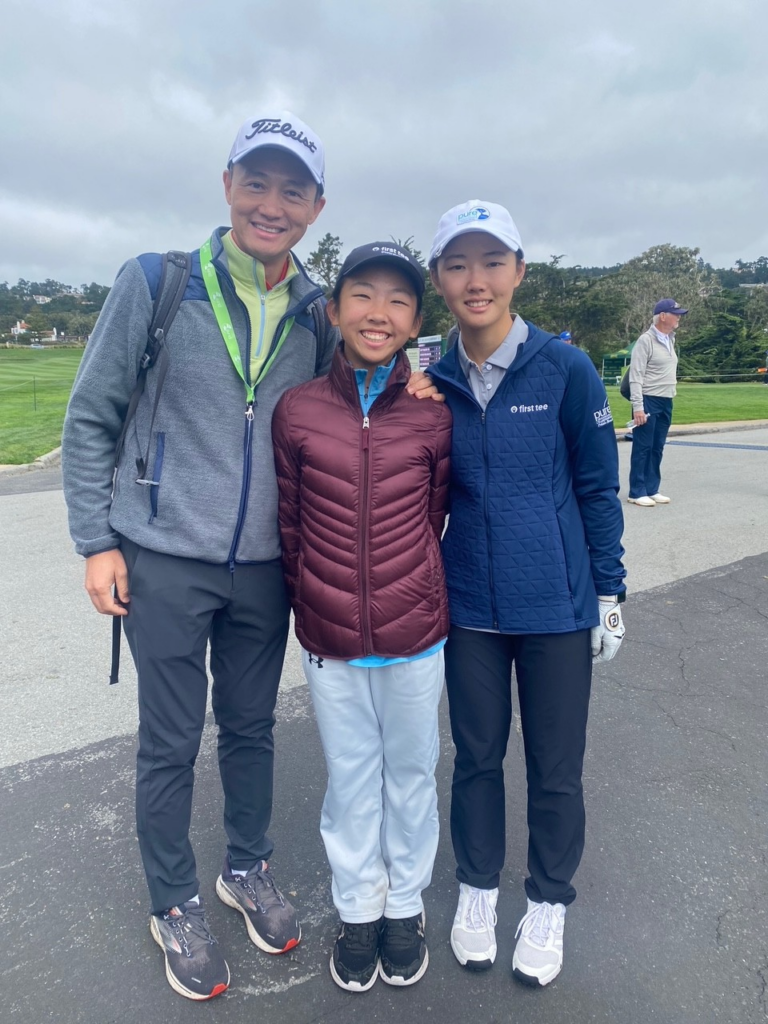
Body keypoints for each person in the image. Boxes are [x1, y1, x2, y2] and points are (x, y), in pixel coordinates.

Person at [61, 111, 436, 1001]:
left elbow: (370, 374)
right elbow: (91, 416)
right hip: (162, 554)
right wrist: (95, 542)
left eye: (292, 190)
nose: (273, 204)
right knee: (168, 737)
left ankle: (246, 865)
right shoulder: (157, 283)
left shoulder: (319, 309)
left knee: (252, 727)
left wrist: (416, 368)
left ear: (315, 206)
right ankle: (174, 900)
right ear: (228, 183)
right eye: (257, 183)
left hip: (266, 566)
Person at [426, 200, 627, 987]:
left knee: (556, 765)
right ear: (440, 277)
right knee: (475, 757)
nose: (475, 281)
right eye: (457, 264)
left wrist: (611, 590)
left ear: (518, 270)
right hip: (468, 604)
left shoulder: (565, 369)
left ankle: (548, 900)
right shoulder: (431, 378)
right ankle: (477, 891)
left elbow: (597, 489)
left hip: (556, 605)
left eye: (491, 262)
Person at [272, 242, 452, 992]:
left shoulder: (432, 416)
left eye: (399, 301)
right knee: (350, 781)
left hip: (415, 636)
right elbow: (290, 525)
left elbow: (434, 513)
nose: (380, 313)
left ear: (415, 321)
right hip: (330, 639)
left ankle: (403, 905)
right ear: (336, 309)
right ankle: (357, 909)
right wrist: (314, 605)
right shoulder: (299, 409)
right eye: (364, 296)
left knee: (411, 775)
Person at [626, 299, 688, 506]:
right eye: (675, 313)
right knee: (643, 446)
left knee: (657, 446)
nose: (679, 317)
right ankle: (637, 491)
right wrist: (638, 407)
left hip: (666, 399)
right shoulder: (646, 340)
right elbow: (636, 376)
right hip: (648, 399)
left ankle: (652, 488)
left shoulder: (671, 338)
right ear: (663, 316)